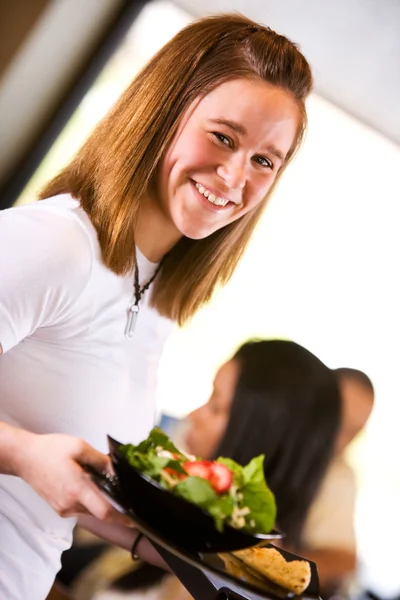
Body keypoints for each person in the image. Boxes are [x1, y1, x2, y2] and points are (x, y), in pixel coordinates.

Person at [0, 13, 313, 600]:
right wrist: (22, 453)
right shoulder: (58, 244)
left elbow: (65, 490)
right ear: (164, 111)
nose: (233, 176)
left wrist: (207, 560)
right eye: (223, 136)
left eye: (264, 161)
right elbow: (35, 460)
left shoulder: (156, 297)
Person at [62, 339, 341, 600]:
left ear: (259, 435)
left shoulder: (249, 565)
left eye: (216, 406)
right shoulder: (201, 525)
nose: (194, 415)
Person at [299, 367, 374, 594]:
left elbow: (344, 559)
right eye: (337, 421)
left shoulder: (339, 473)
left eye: (353, 432)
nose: (341, 441)